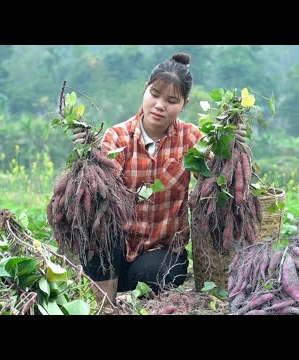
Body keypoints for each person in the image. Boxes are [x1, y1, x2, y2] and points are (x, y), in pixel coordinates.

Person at [72, 53, 246, 302]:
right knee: (94, 239)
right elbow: (102, 192)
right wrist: (87, 156)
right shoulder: (117, 137)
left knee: (153, 274)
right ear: (145, 90)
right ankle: (106, 305)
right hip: (116, 250)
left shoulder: (192, 139)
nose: (160, 105)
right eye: (155, 94)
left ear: (183, 105)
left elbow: (217, 180)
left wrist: (228, 147)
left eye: (171, 100)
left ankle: (133, 299)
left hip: (161, 252)